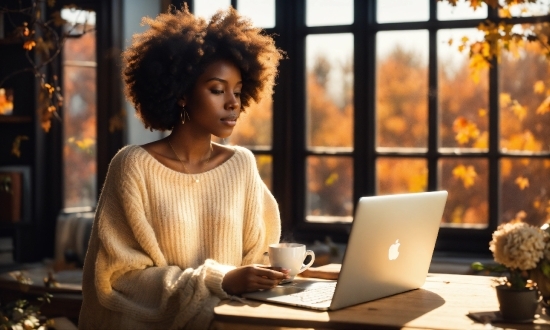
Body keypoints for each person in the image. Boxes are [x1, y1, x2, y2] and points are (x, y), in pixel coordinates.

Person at [79, 5, 286, 329]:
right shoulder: (133, 166)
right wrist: (222, 280)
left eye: (237, 90)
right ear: (182, 95)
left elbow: (258, 257)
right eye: (217, 90)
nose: (232, 102)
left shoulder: (241, 166)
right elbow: (118, 277)